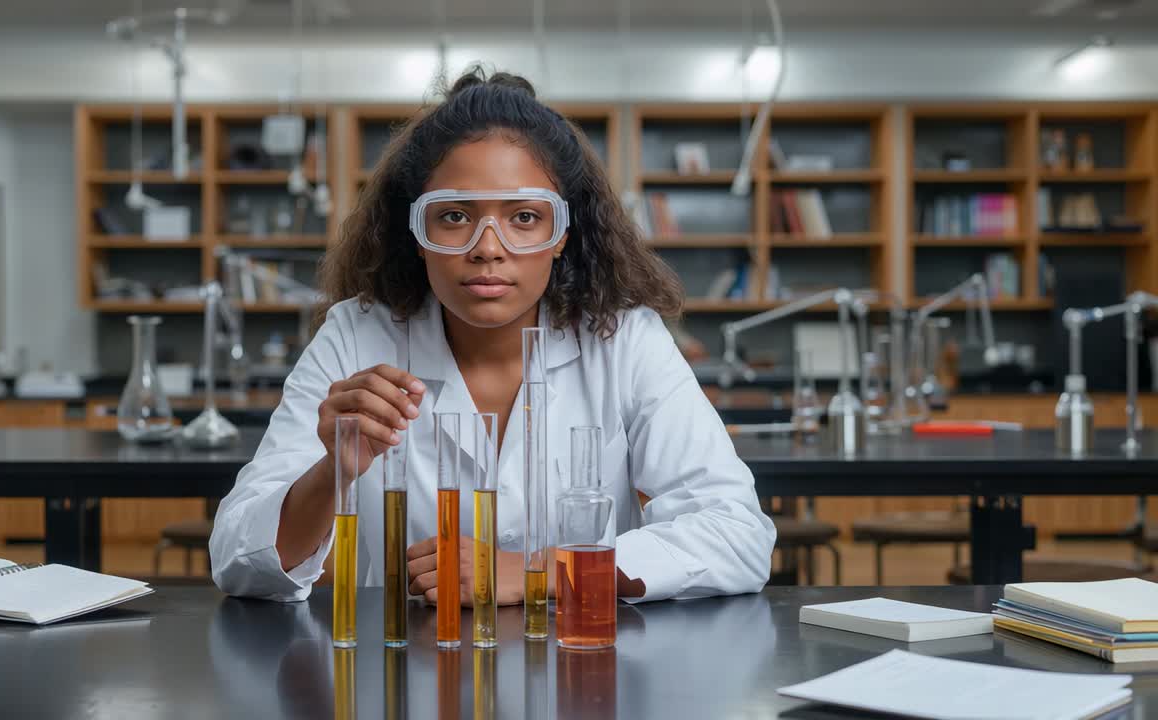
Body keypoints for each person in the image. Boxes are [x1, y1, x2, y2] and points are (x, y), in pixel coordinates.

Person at [210, 67, 776, 605]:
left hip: (582, 678)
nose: (487, 246)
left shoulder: (623, 338)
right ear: (417, 230)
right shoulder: (357, 335)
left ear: (561, 234)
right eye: (454, 216)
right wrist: (332, 471)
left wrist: (539, 571)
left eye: (524, 218)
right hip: (403, 678)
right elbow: (238, 560)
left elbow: (736, 535)